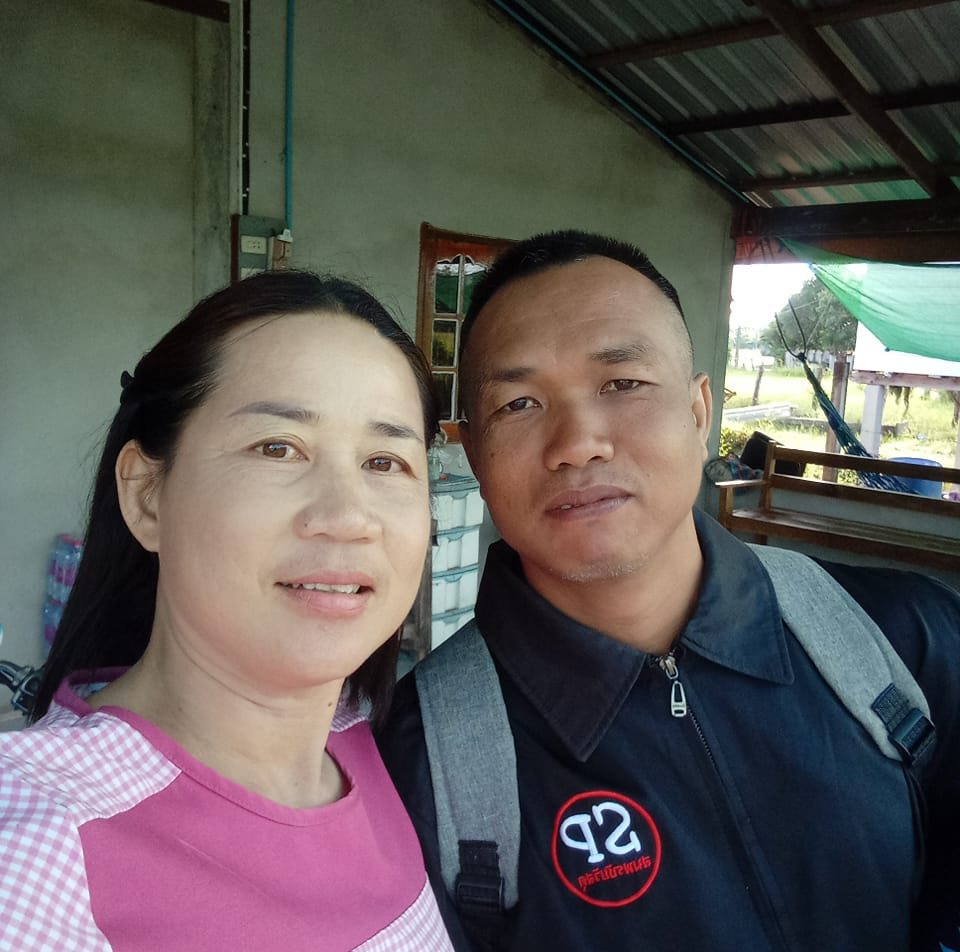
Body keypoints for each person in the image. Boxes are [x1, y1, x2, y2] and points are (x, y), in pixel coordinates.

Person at [377, 230, 960, 951]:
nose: (578, 443)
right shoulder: (423, 764)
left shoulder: (899, 641)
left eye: (622, 383)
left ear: (698, 411)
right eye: (519, 403)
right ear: (472, 452)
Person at [0, 271, 454, 951]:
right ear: (147, 495)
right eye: (278, 448)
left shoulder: (372, 739)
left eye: (386, 462)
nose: (348, 516)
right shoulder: (33, 855)